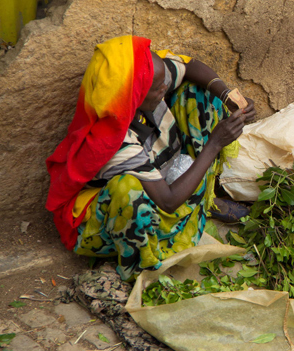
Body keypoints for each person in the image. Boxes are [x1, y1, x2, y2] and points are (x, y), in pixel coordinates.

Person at [46, 35, 255, 280]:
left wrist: (227, 94)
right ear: (133, 97)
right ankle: (142, 266)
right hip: (114, 220)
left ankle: (202, 200)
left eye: (163, 82)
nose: (164, 88)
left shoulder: (148, 82)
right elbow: (167, 201)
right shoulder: (111, 142)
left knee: (198, 93)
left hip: (158, 181)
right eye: (158, 88)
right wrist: (214, 144)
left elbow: (189, 67)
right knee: (128, 189)